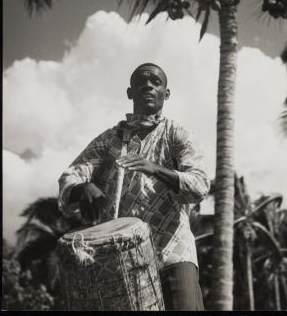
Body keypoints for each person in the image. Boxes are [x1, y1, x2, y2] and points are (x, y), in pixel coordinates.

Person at [58, 63, 210, 310]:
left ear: (166, 93)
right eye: (142, 82)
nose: (148, 85)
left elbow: (200, 185)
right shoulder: (108, 140)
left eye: (156, 82)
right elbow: (69, 178)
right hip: (119, 262)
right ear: (130, 93)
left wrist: (155, 169)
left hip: (172, 254)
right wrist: (82, 188)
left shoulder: (178, 134)